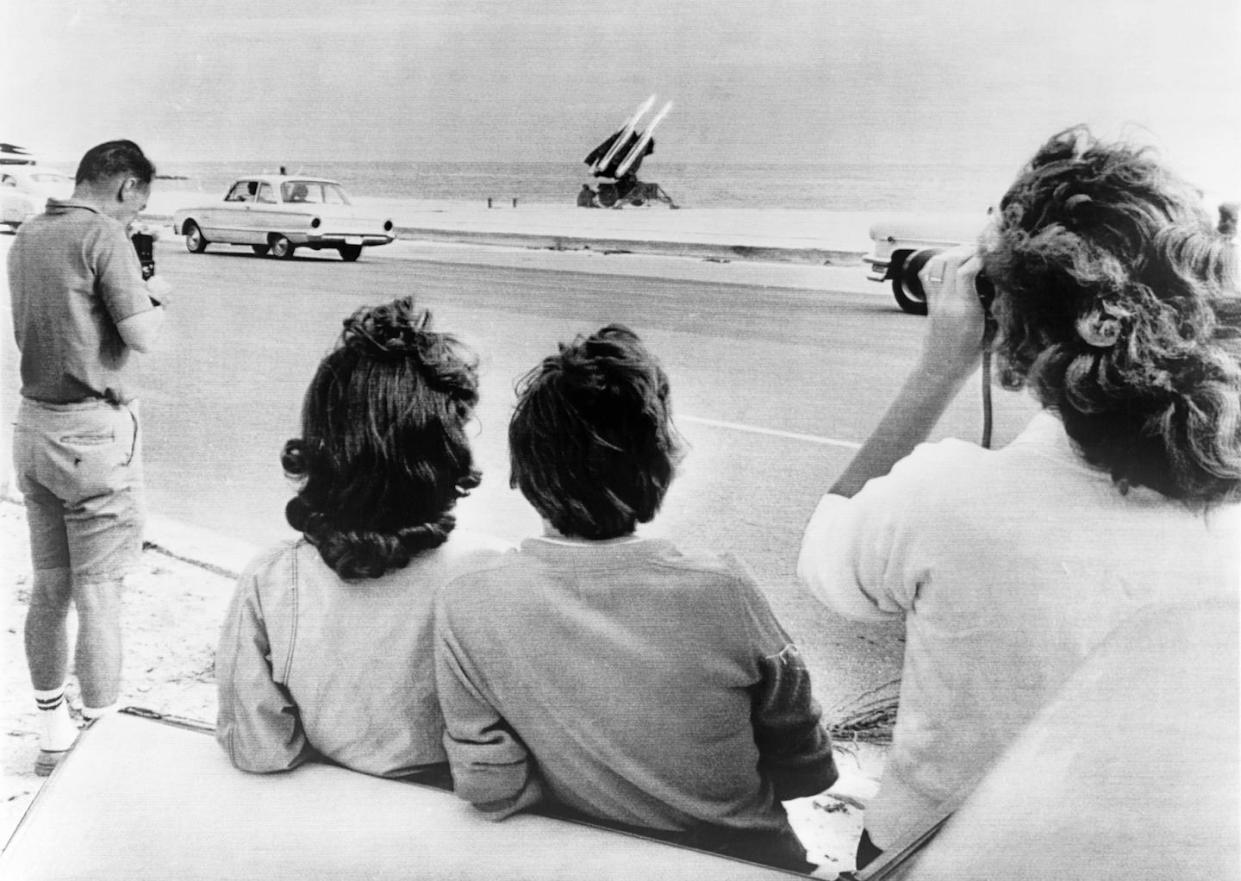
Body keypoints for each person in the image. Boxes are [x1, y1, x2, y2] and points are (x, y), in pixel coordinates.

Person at [796, 126, 1241, 868]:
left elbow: (824, 563)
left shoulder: (945, 495)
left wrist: (938, 367)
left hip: (941, 861)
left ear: (1012, 321)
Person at [434, 325, 837, 873]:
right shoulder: (721, 591)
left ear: (523, 471)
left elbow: (490, 787)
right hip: (748, 861)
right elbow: (807, 767)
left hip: (595, 859)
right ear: (659, 467)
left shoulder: (470, 598)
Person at [215, 297, 507, 781]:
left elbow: (258, 749)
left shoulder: (271, 583)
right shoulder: (489, 574)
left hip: (339, 820)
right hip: (461, 817)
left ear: (321, 449)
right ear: (448, 449)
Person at [9, 140, 168, 775]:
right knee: (100, 593)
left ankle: (52, 737)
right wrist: (152, 295)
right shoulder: (105, 237)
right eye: (139, 205)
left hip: (32, 426)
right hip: (92, 439)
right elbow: (143, 337)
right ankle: (99, 754)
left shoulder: (28, 233)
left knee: (50, 589)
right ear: (127, 188)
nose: (135, 218)